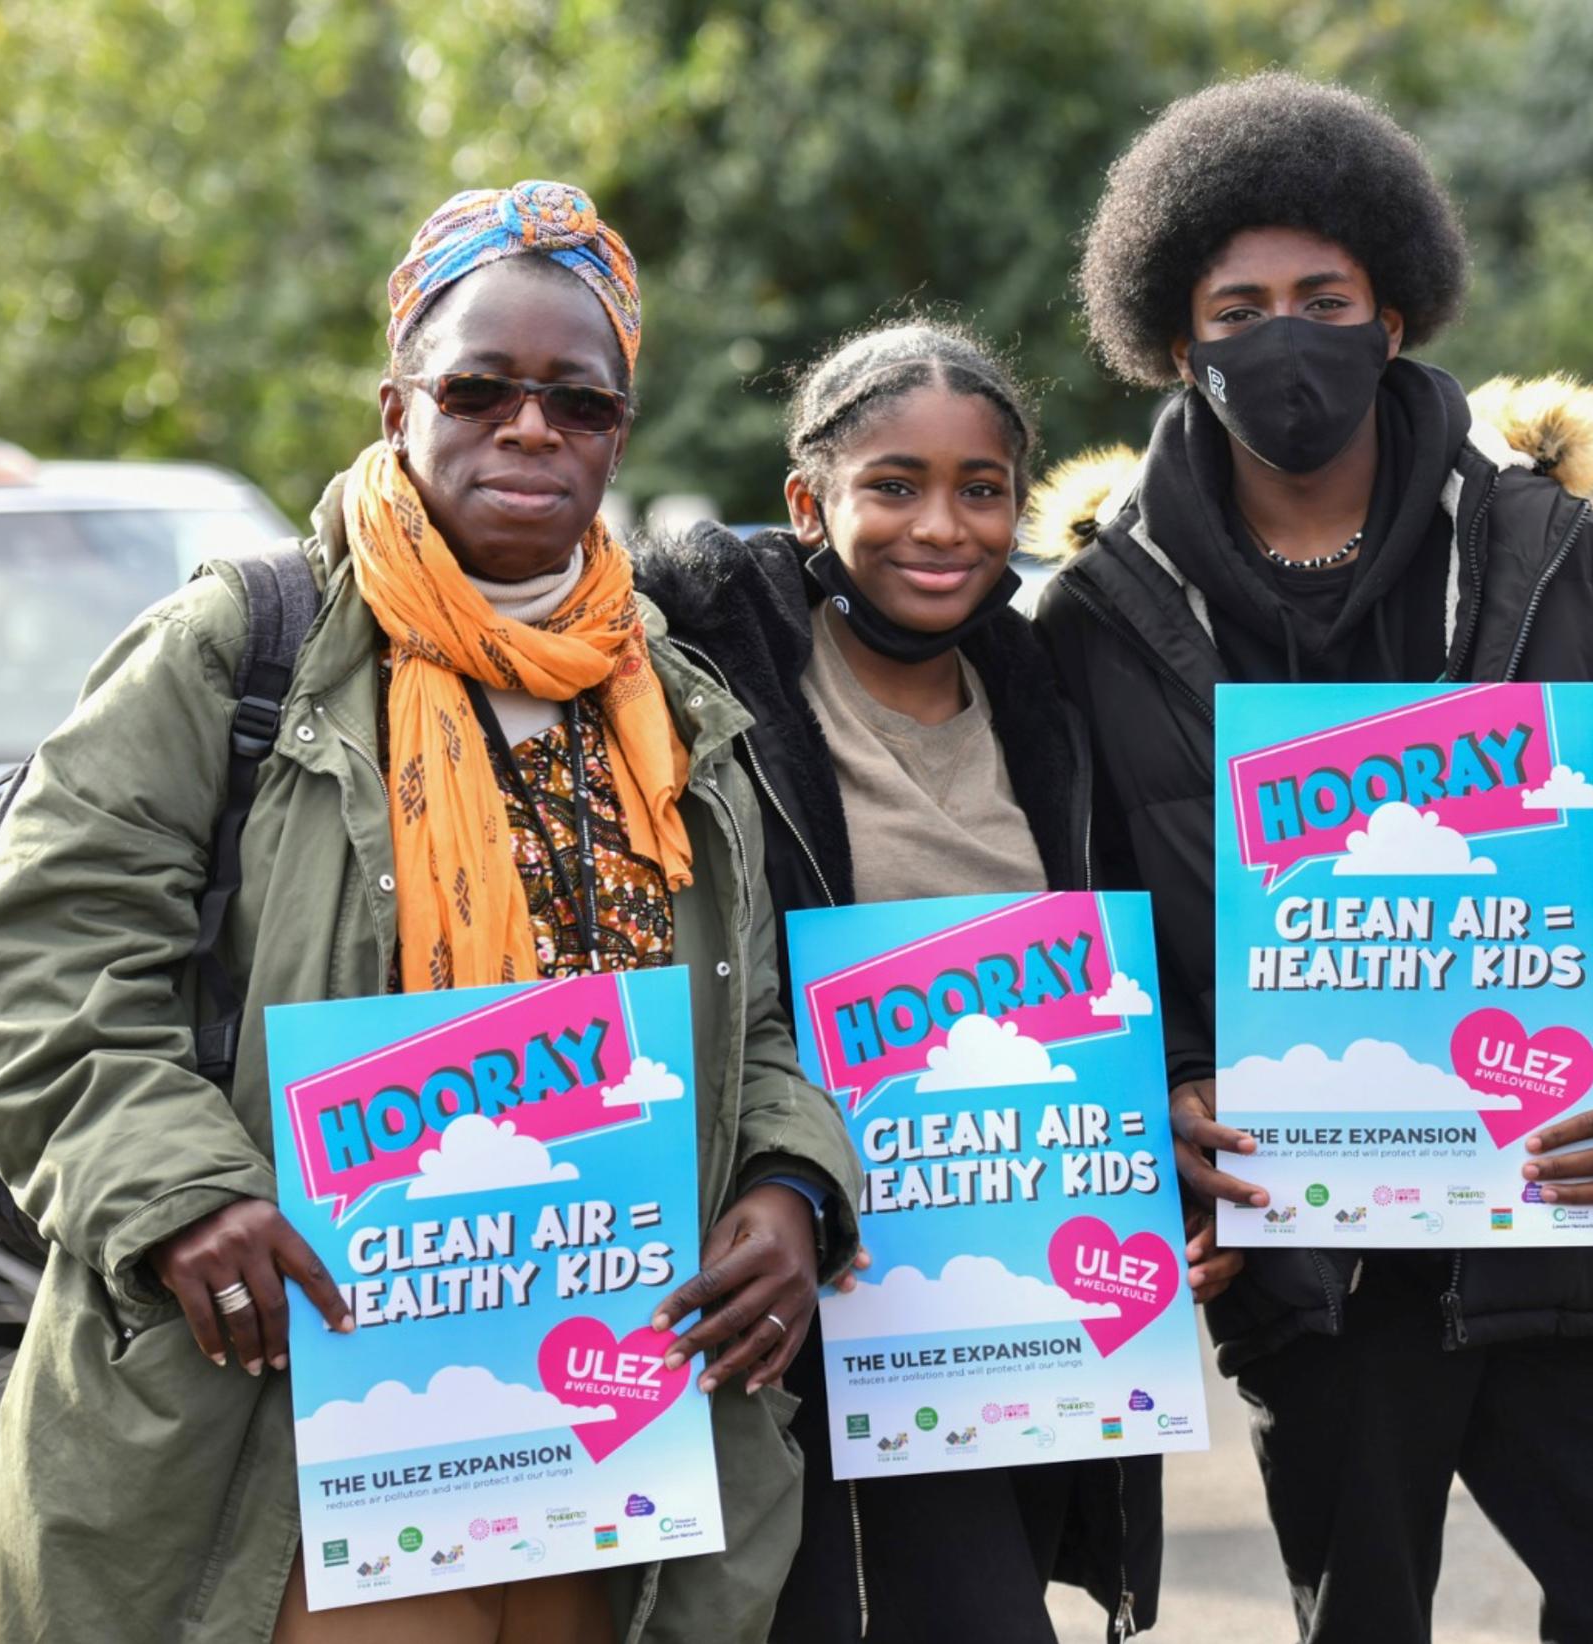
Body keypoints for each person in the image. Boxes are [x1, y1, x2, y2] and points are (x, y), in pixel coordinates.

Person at [0, 181, 862, 1644]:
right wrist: (183, 1195)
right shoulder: (241, 651)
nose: (530, 429)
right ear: (397, 406)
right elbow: (38, 970)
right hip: (284, 1431)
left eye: (579, 400)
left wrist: (789, 1188)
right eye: (479, 387)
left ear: (620, 430)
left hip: (597, 1443)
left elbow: (744, 1023)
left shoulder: (676, 707)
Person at [1032, 72, 1593, 1644]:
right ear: (1175, 338)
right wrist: (1170, 1097)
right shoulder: (1095, 625)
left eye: (1321, 297)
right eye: (1239, 306)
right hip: (1314, 1275)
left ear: (1392, 313)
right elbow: (1081, 940)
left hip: (1566, 1240)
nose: (1284, 336)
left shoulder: (1562, 559)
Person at [633, 320, 1209, 1643]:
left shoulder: (1049, 698)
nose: (939, 526)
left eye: (980, 488)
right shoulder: (703, 684)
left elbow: (1113, 971)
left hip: (1017, 1310)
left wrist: (1158, 1111)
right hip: (807, 1304)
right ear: (807, 501)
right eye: (892, 484)